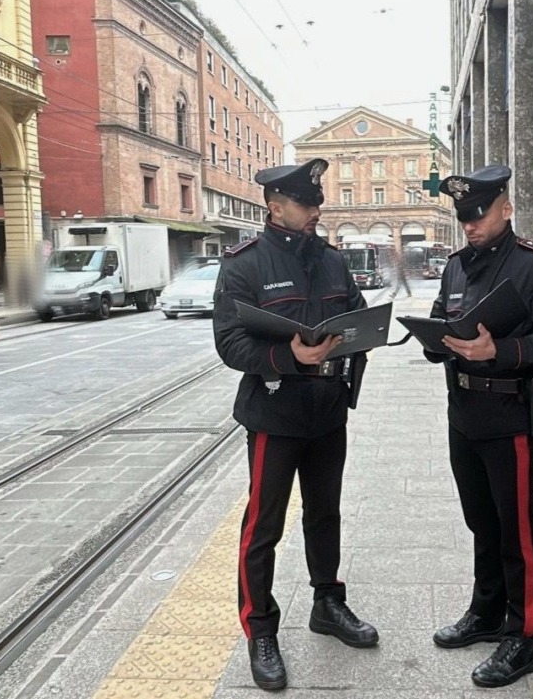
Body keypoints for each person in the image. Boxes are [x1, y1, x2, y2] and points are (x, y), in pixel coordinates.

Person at [213, 158, 378, 692]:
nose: (314, 213)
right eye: (306, 205)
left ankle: (328, 603)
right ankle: (261, 629)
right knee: (264, 525)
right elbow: (231, 344)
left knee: (325, 513)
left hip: (326, 411)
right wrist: (290, 356)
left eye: (317, 204)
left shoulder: (332, 261)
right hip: (274, 414)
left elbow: (354, 314)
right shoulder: (244, 264)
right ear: (275, 205)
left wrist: (360, 338)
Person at [423, 163, 533, 689]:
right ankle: (486, 612)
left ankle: (524, 635)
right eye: (463, 215)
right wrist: (432, 337)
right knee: (481, 522)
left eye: (480, 214)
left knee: (517, 530)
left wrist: (504, 350)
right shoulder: (456, 266)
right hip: (464, 413)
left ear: (506, 209)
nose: (470, 224)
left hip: (511, 413)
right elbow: (441, 314)